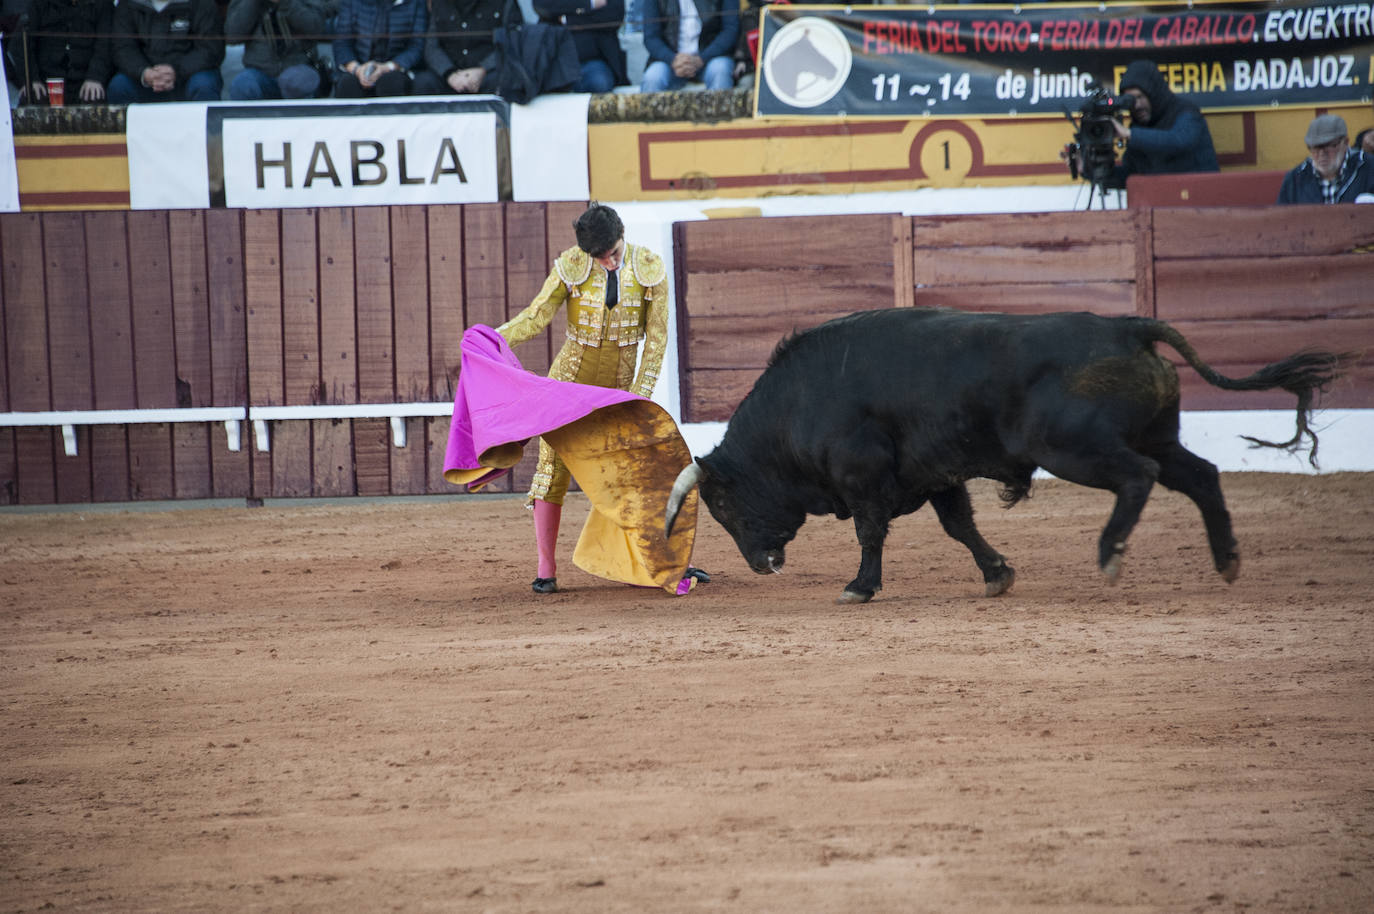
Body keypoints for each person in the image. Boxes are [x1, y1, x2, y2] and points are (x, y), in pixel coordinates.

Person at [495, 203, 704, 595]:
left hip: (619, 392)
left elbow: (656, 341)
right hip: (570, 382)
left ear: (621, 236)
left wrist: (639, 398)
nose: (607, 262)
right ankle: (546, 567)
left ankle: (665, 559)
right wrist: (495, 337)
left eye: (611, 253)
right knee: (552, 468)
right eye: (599, 257)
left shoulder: (649, 267)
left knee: (641, 471)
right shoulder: (572, 264)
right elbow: (536, 316)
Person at [1104, 59, 1218, 189]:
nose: (1137, 105)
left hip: (1201, 198)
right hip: (1162, 204)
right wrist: (1090, 169)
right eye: (1130, 100)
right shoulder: (1138, 128)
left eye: (1140, 97)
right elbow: (1129, 177)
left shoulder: (1186, 111)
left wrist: (1129, 134)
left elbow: (1179, 141)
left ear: (1155, 94)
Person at [108, 0, 224, 103]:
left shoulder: (202, 3)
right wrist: (145, 73)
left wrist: (176, 71)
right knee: (119, 86)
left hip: (188, 76)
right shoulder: (129, 4)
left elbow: (211, 48)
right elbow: (123, 48)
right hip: (144, 78)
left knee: (204, 84)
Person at [224, 0, 333, 100]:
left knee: (297, 83)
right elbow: (232, 36)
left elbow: (316, 28)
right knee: (242, 86)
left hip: (299, 66)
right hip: (260, 71)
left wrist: (286, 3)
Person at [11, 0, 113, 106]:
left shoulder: (102, 4)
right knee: (31, 97)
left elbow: (105, 45)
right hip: (44, 80)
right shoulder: (37, 4)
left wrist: (95, 77)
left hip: (85, 79)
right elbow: (21, 45)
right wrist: (32, 79)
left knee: (94, 96)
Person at [331, 0, 426, 98]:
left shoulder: (415, 3)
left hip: (396, 68)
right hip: (359, 66)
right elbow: (342, 43)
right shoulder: (351, 2)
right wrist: (357, 69)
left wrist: (387, 67)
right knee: (348, 84)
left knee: (391, 83)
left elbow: (416, 46)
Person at [639, 0, 737, 93]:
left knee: (720, 71)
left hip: (710, 58)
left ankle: (719, 111)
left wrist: (702, 59)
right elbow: (651, 37)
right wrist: (673, 59)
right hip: (670, 61)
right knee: (653, 78)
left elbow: (730, 30)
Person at [1276, 114, 1374, 204]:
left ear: (1345, 143)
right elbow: (1281, 219)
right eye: (1315, 147)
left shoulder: (1370, 169)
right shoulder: (1295, 179)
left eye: (1329, 146)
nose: (1322, 153)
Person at [412, 0, 504, 95]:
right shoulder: (439, 3)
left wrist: (483, 69)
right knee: (424, 82)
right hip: (450, 73)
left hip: (487, 73)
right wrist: (449, 73)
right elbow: (432, 47)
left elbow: (506, 44)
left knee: (500, 81)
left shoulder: (500, 3)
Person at [534, 0, 627, 93]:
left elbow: (614, 14)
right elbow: (541, 5)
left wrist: (568, 19)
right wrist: (590, 4)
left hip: (595, 61)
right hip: (555, 61)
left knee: (599, 83)